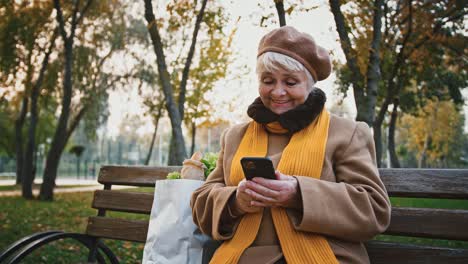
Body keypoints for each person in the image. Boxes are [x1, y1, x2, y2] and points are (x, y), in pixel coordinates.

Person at [190, 26, 391, 264]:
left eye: (291, 82)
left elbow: (373, 209)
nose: (278, 91)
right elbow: (201, 203)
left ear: (310, 84)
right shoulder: (235, 136)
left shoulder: (347, 133)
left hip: (324, 257)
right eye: (268, 81)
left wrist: (299, 194)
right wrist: (235, 201)